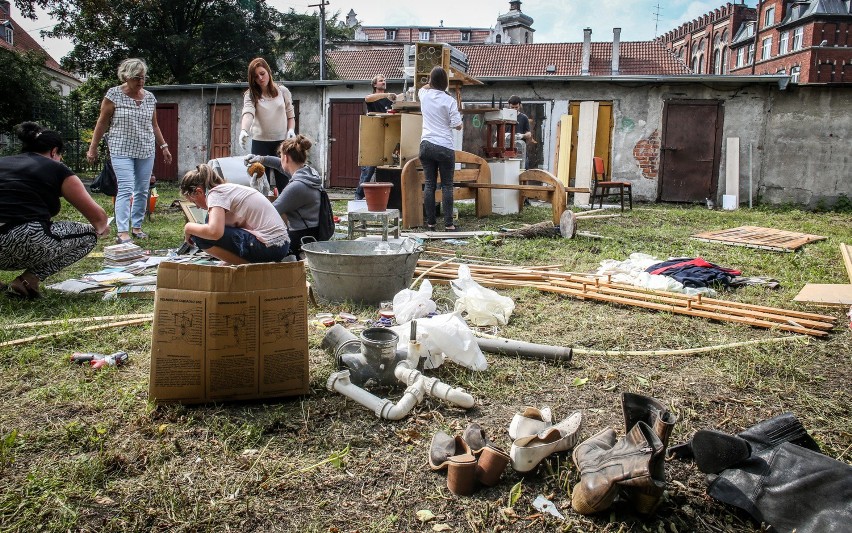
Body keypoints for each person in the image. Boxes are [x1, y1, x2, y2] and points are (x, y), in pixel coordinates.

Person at [0, 122, 110, 298]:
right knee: (89, 236)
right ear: (53, 151)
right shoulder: (56, 168)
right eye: (60, 155)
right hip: (22, 238)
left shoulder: (3, 162)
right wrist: (102, 228)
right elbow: (99, 220)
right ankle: (28, 281)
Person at [87, 58, 171, 244]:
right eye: (136, 78)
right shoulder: (113, 95)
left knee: (142, 190)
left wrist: (164, 147)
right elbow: (102, 123)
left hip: (146, 149)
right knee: (125, 188)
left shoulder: (149, 97)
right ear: (125, 76)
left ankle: (137, 227)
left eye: (143, 78)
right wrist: (93, 148)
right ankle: (122, 231)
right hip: (121, 148)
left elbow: (154, 125)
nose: (140, 82)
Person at [180, 164, 290, 264]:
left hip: (270, 245)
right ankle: (234, 263)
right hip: (280, 246)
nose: (197, 206)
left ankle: (245, 266)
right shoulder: (228, 190)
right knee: (209, 222)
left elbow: (215, 232)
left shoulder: (215, 194)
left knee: (199, 235)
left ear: (199, 191)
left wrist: (188, 227)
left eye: (194, 201)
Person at [246, 135, 325, 259]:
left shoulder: (296, 187)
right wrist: (260, 159)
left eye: (281, 156)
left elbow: (269, 211)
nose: (280, 159)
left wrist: (256, 191)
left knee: (254, 244)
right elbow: (279, 165)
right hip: (313, 230)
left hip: (301, 237)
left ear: (286, 158)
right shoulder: (308, 173)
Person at [239, 58, 295, 190]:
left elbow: (290, 116)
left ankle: (285, 210)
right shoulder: (250, 95)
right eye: (256, 77)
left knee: (285, 182)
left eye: (262, 73)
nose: (260, 78)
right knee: (260, 184)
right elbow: (248, 113)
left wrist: (291, 130)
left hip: (281, 144)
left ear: (268, 72)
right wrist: (244, 130)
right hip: (260, 144)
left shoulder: (283, 91)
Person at [418, 66, 462, 231]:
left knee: (429, 184)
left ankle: (430, 223)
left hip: (426, 145)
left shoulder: (424, 95)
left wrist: (431, 82)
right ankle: (449, 224)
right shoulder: (449, 100)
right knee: (447, 185)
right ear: (446, 83)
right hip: (444, 146)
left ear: (430, 81)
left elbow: (423, 87)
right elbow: (457, 125)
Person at [355, 74, 404, 200]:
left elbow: (399, 98)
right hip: (373, 138)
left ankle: (381, 198)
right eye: (381, 81)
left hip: (386, 138)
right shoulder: (373, 98)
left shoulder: (389, 99)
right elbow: (367, 98)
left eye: (385, 80)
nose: (384, 82)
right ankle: (358, 197)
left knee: (385, 170)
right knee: (368, 171)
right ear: (375, 85)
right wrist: (387, 94)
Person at [508, 95, 536, 169]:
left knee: (522, 170)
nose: (514, 109)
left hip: (520, 150)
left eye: (516, 107)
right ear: (509, 106)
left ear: (520, 106)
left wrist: (522, 135)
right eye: (512, 107)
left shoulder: (524, 118)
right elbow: (496, 133)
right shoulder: (504, 117)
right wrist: (504, 135)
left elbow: (529, 134)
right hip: (506, 149)